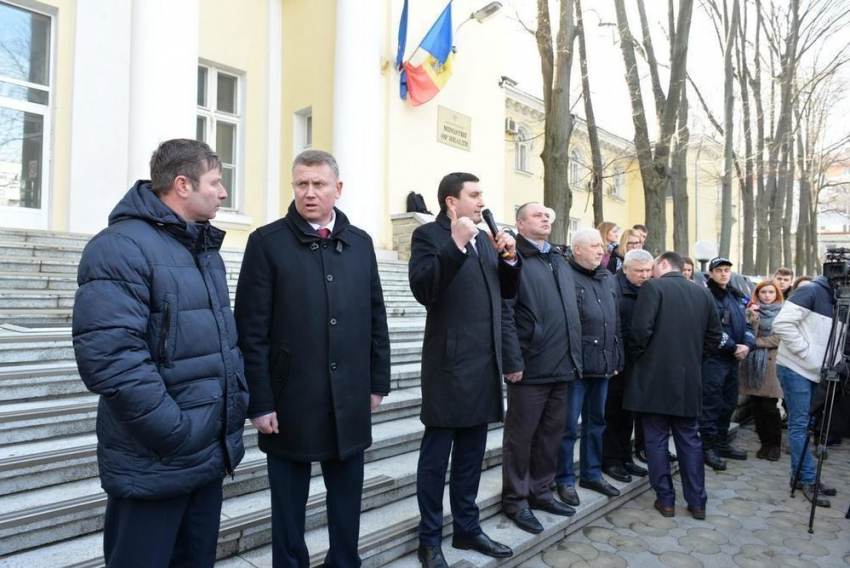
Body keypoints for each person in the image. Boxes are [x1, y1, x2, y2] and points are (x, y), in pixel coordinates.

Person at [72, 139, 248, 567]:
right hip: (157, 459)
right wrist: (176, 433)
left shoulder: (203, 250)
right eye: (216, 182)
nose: (223, 193)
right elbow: (111, 358)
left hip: (205, 455)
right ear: (183, 185)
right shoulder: (120, 247)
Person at [235, 150, 391, 567]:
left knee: (346, 502)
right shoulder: (266, 243)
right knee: (288, 508)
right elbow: (250, 331)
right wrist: (260, 401)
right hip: (290, 401)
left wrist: (377, 381)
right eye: (301, 184)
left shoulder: (360, 244)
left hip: (349, 398)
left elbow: (376, 316)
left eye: (318, 184)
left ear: (337, 189)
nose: (309, 193)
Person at [409, 172, 520, 567]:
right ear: (451, 203)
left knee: (472, 455)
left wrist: (509, 259)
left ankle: (468, 528)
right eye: (474, 195)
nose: (481, 201)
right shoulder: (429, 237)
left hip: (484, 363)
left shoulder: (488, 239)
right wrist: (455, 244)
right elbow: (424, 289)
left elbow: (506, 293)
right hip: (448, 366)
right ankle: (429, 538)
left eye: (481, 194)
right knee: (436, 459)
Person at [500, 202, 582, 534]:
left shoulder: (559, 260)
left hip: (562, 365)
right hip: (529, 365)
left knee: (551, 435)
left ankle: (541, 490)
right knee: (520, 438)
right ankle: (516, 500)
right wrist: (512, 360)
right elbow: (505, 312)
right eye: (537, 215)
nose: (546, 218)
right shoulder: (512, 259)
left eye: (548, 214)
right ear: (520, 224)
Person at [624, 252, 722, 520]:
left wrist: (638, 358)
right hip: (689, 380)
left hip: (653, 379)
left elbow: (640, 331)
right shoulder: (702, 293)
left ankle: (666, 500)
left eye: (653, 266)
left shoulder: (653, 287)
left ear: (664, 264)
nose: (650, 272)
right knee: (689, 440)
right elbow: (715, 336)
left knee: (655, 440)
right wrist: (693, 360)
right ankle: (698, 502)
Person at [555, 228, 624, 507]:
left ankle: (592, 474)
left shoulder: (608, 277)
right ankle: (564, 479)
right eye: (595, 246)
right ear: (578, 249)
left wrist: (616, 357)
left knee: (597, 423)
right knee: (568, 427)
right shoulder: (565, 276)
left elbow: (615, 320)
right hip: (576, 367)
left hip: (604, 365)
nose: (601, 251)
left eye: (602, 247)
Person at [773, 274, 839, 508]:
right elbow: (781, 324)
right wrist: (807, 353)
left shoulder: (839, 297)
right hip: (795, 368)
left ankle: (802, 475)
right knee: (800, 424)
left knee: (808, 425)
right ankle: (808, 479)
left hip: (817, 371)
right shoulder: (811, 291)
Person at [602, 249, 653, 483]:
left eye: (648, 271)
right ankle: (611, 460)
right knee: (613, 415)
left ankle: (625, 457)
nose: (645, 275)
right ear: (625, 268)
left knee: (629, 414)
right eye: (639, 271)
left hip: (637, 363)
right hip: (615, 364)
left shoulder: (647, 290)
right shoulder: (612, 287)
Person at [700, 257, 756, 471]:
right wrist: (733, 347)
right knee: (711, 403)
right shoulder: (707, 296)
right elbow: (711, 329)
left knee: (729, 402)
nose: (724, 274)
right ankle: (707, 447)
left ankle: (721, 443)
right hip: (714, 358)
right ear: (711, 273)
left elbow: (747, 324)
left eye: (727, 270)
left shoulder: (735, 295)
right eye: (719, 270)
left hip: (734, 358)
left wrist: (748, 345)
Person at [739, 281, 784, 461]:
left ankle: (775, 445)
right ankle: (764, 443)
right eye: (763, 292)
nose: (767, 295)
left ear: (776, 294)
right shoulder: (750, 312)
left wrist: (755, 343)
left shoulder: (783, 312)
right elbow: (747, 333)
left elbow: (779, 339)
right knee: (756, 406)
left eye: (770, 292)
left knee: (769, 407)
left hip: (771, 363)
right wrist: (754, 319)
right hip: (752, 364)